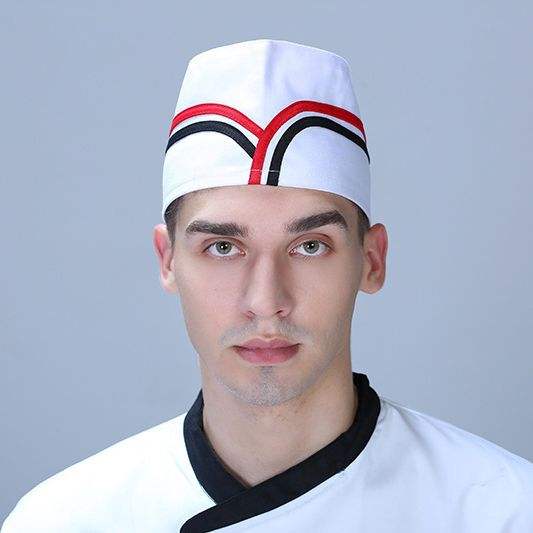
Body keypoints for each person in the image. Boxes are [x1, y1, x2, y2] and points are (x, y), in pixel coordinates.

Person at [2, 38, 532, 533]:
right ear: (167, 260)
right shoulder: (64, 519)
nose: (265, 301)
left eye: (310, 246)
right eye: (222, 248)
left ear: (371, 261)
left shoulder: (504, 510)